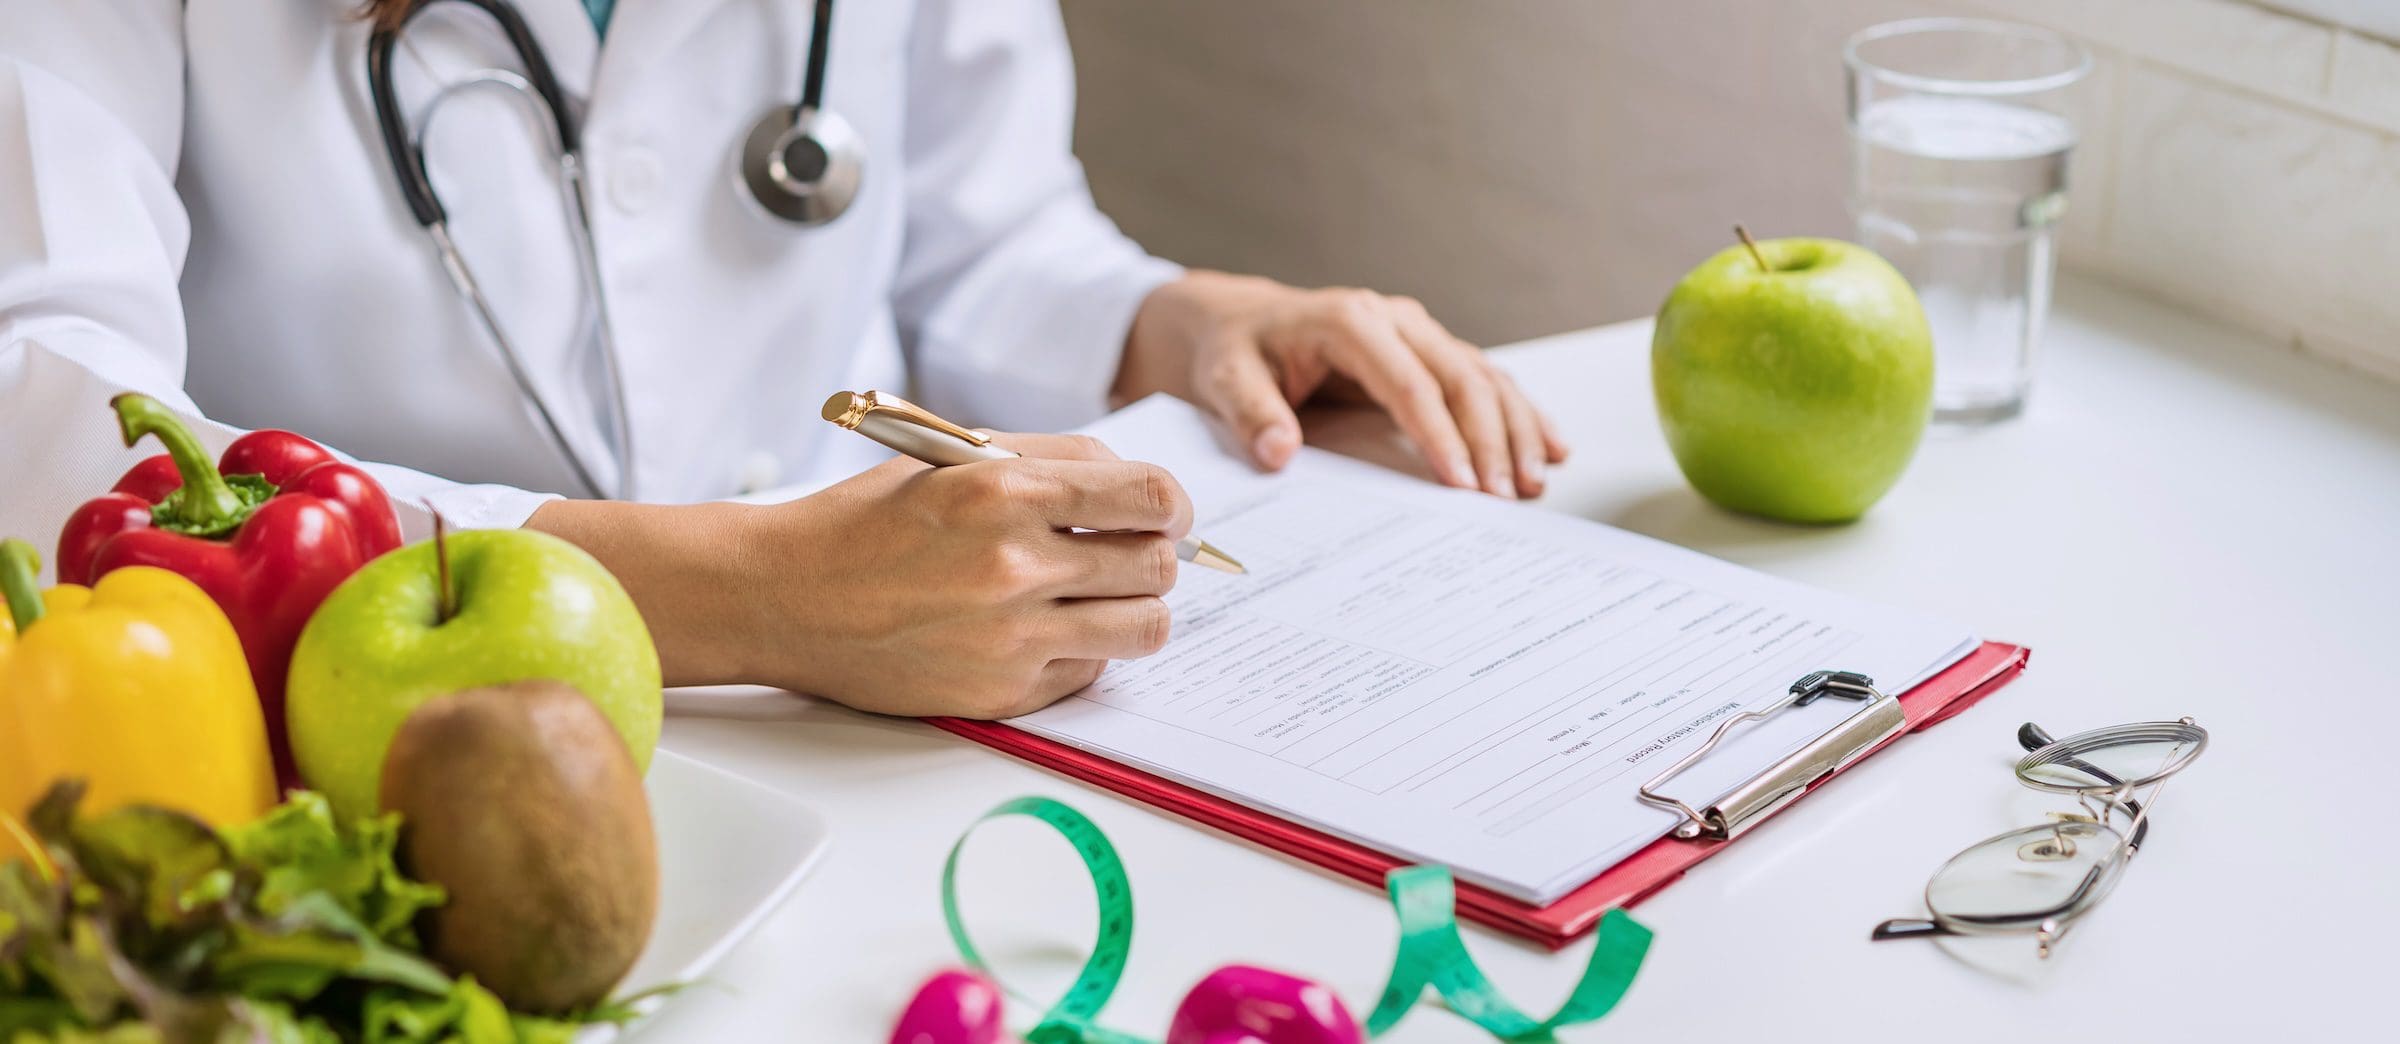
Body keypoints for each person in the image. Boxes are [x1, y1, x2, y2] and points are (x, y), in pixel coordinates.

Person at [0, 0, 1566, 718]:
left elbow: (974, 239)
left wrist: (1175, 328)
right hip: (351, 756)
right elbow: (45, 417)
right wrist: (744, 595)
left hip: (887, 728)